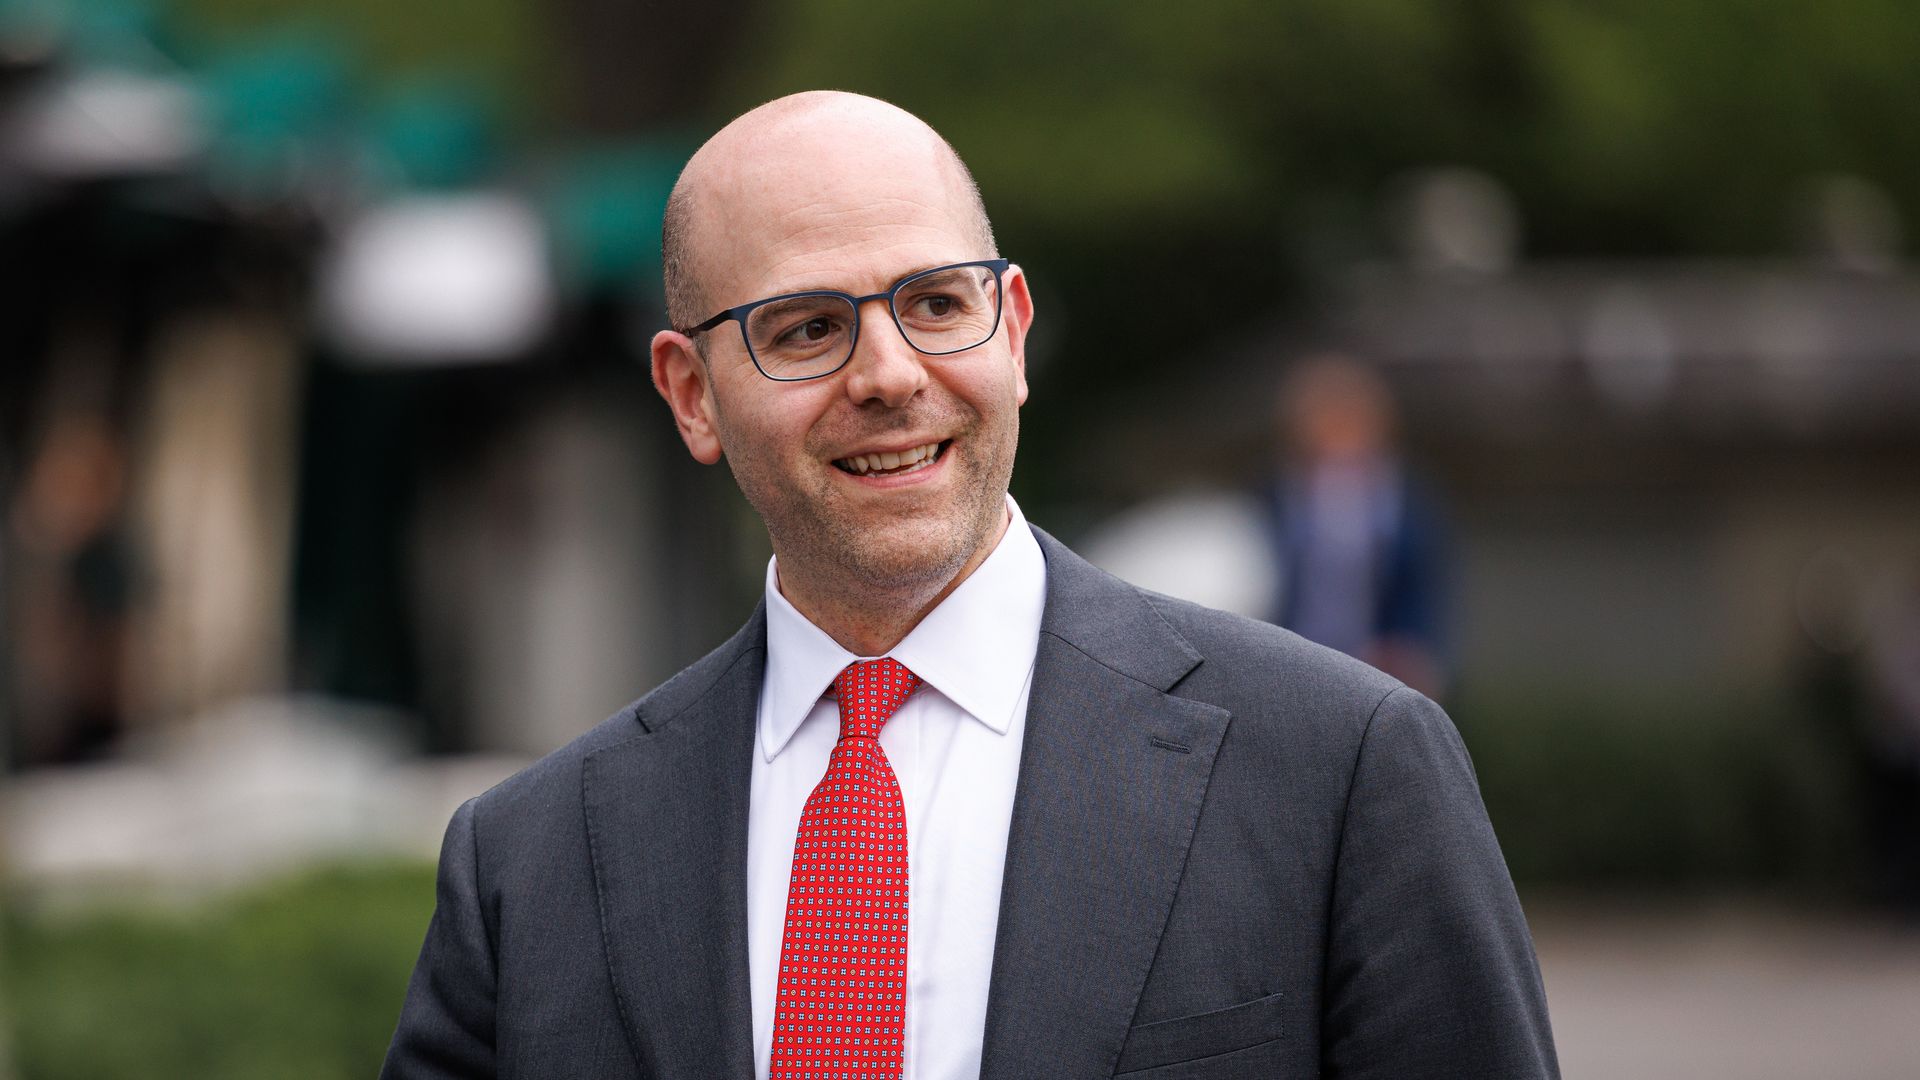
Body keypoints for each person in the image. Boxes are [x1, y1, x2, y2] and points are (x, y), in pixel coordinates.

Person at [382, 91, 1559, 1079]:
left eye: (937, 304)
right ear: (692, 393)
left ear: (1015, 330)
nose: (891, 376)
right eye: (806, 329)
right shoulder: (526, 866)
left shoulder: (1341, 771)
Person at [1263, 354, 1451, 700]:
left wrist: (1416, 655)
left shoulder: (1406, 501)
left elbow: (1423, 595)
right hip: (1287, 662)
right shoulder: (1275, 496)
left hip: (1376, 670)